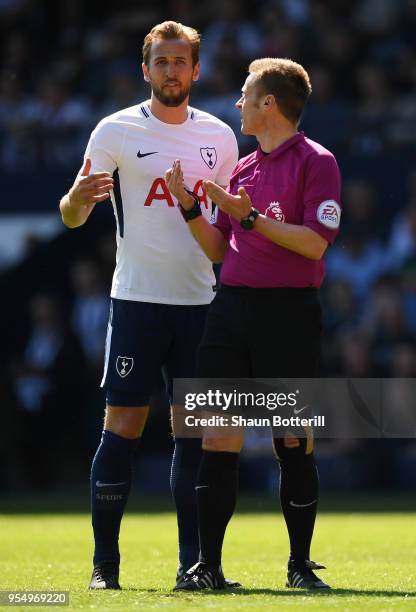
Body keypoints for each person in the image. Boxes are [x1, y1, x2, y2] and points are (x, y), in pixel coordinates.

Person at [59, 21, 239, 590]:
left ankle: (195, 567)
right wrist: (73, 201)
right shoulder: (113, 130)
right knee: (123, 426)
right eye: (160, 62)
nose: (170, 71)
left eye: (180, 62)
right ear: (146, 69)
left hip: (199, 305)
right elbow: (71, 214)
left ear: (196, 70)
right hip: (136, 301)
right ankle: (103, 568)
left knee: (197, 433)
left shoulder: (220, 136)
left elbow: (227, 227)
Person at [165, 57, 342, 590]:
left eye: (246, 94)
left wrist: (248, 217)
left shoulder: (317, 161)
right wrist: (192, 210)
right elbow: (220, 250)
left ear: (270, 103)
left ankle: (299, 566)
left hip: (288, 314)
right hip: (231, 310)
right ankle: (209, 569)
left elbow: (314, 242)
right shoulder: (241, 168)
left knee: (292, 439)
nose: (238, 103)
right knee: (217, 439)